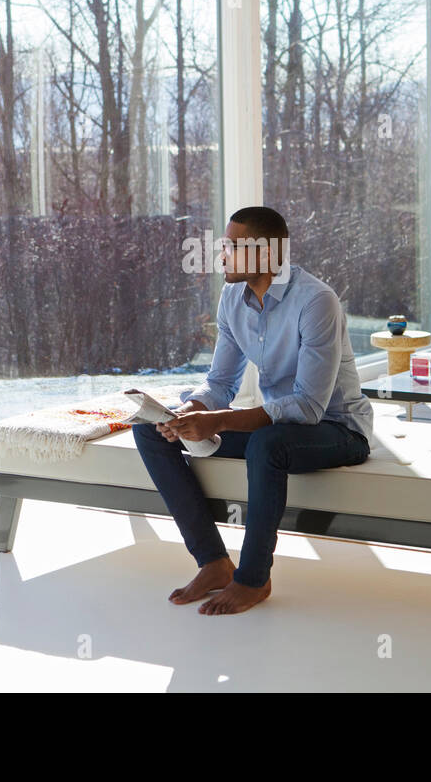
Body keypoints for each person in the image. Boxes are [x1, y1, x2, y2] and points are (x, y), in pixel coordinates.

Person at [132, 206, 373, 615]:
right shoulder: (232, 298)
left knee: (266, 445)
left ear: (264, 254)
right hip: (279, 427)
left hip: (338, 430)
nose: (221, 256)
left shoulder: (316, 301)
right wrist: (188, 413)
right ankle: (213, 562)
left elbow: (309, 407)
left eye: (230, 247)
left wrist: (219, 420)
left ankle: (253, 579)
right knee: (150, 430)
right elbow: (221, 382)